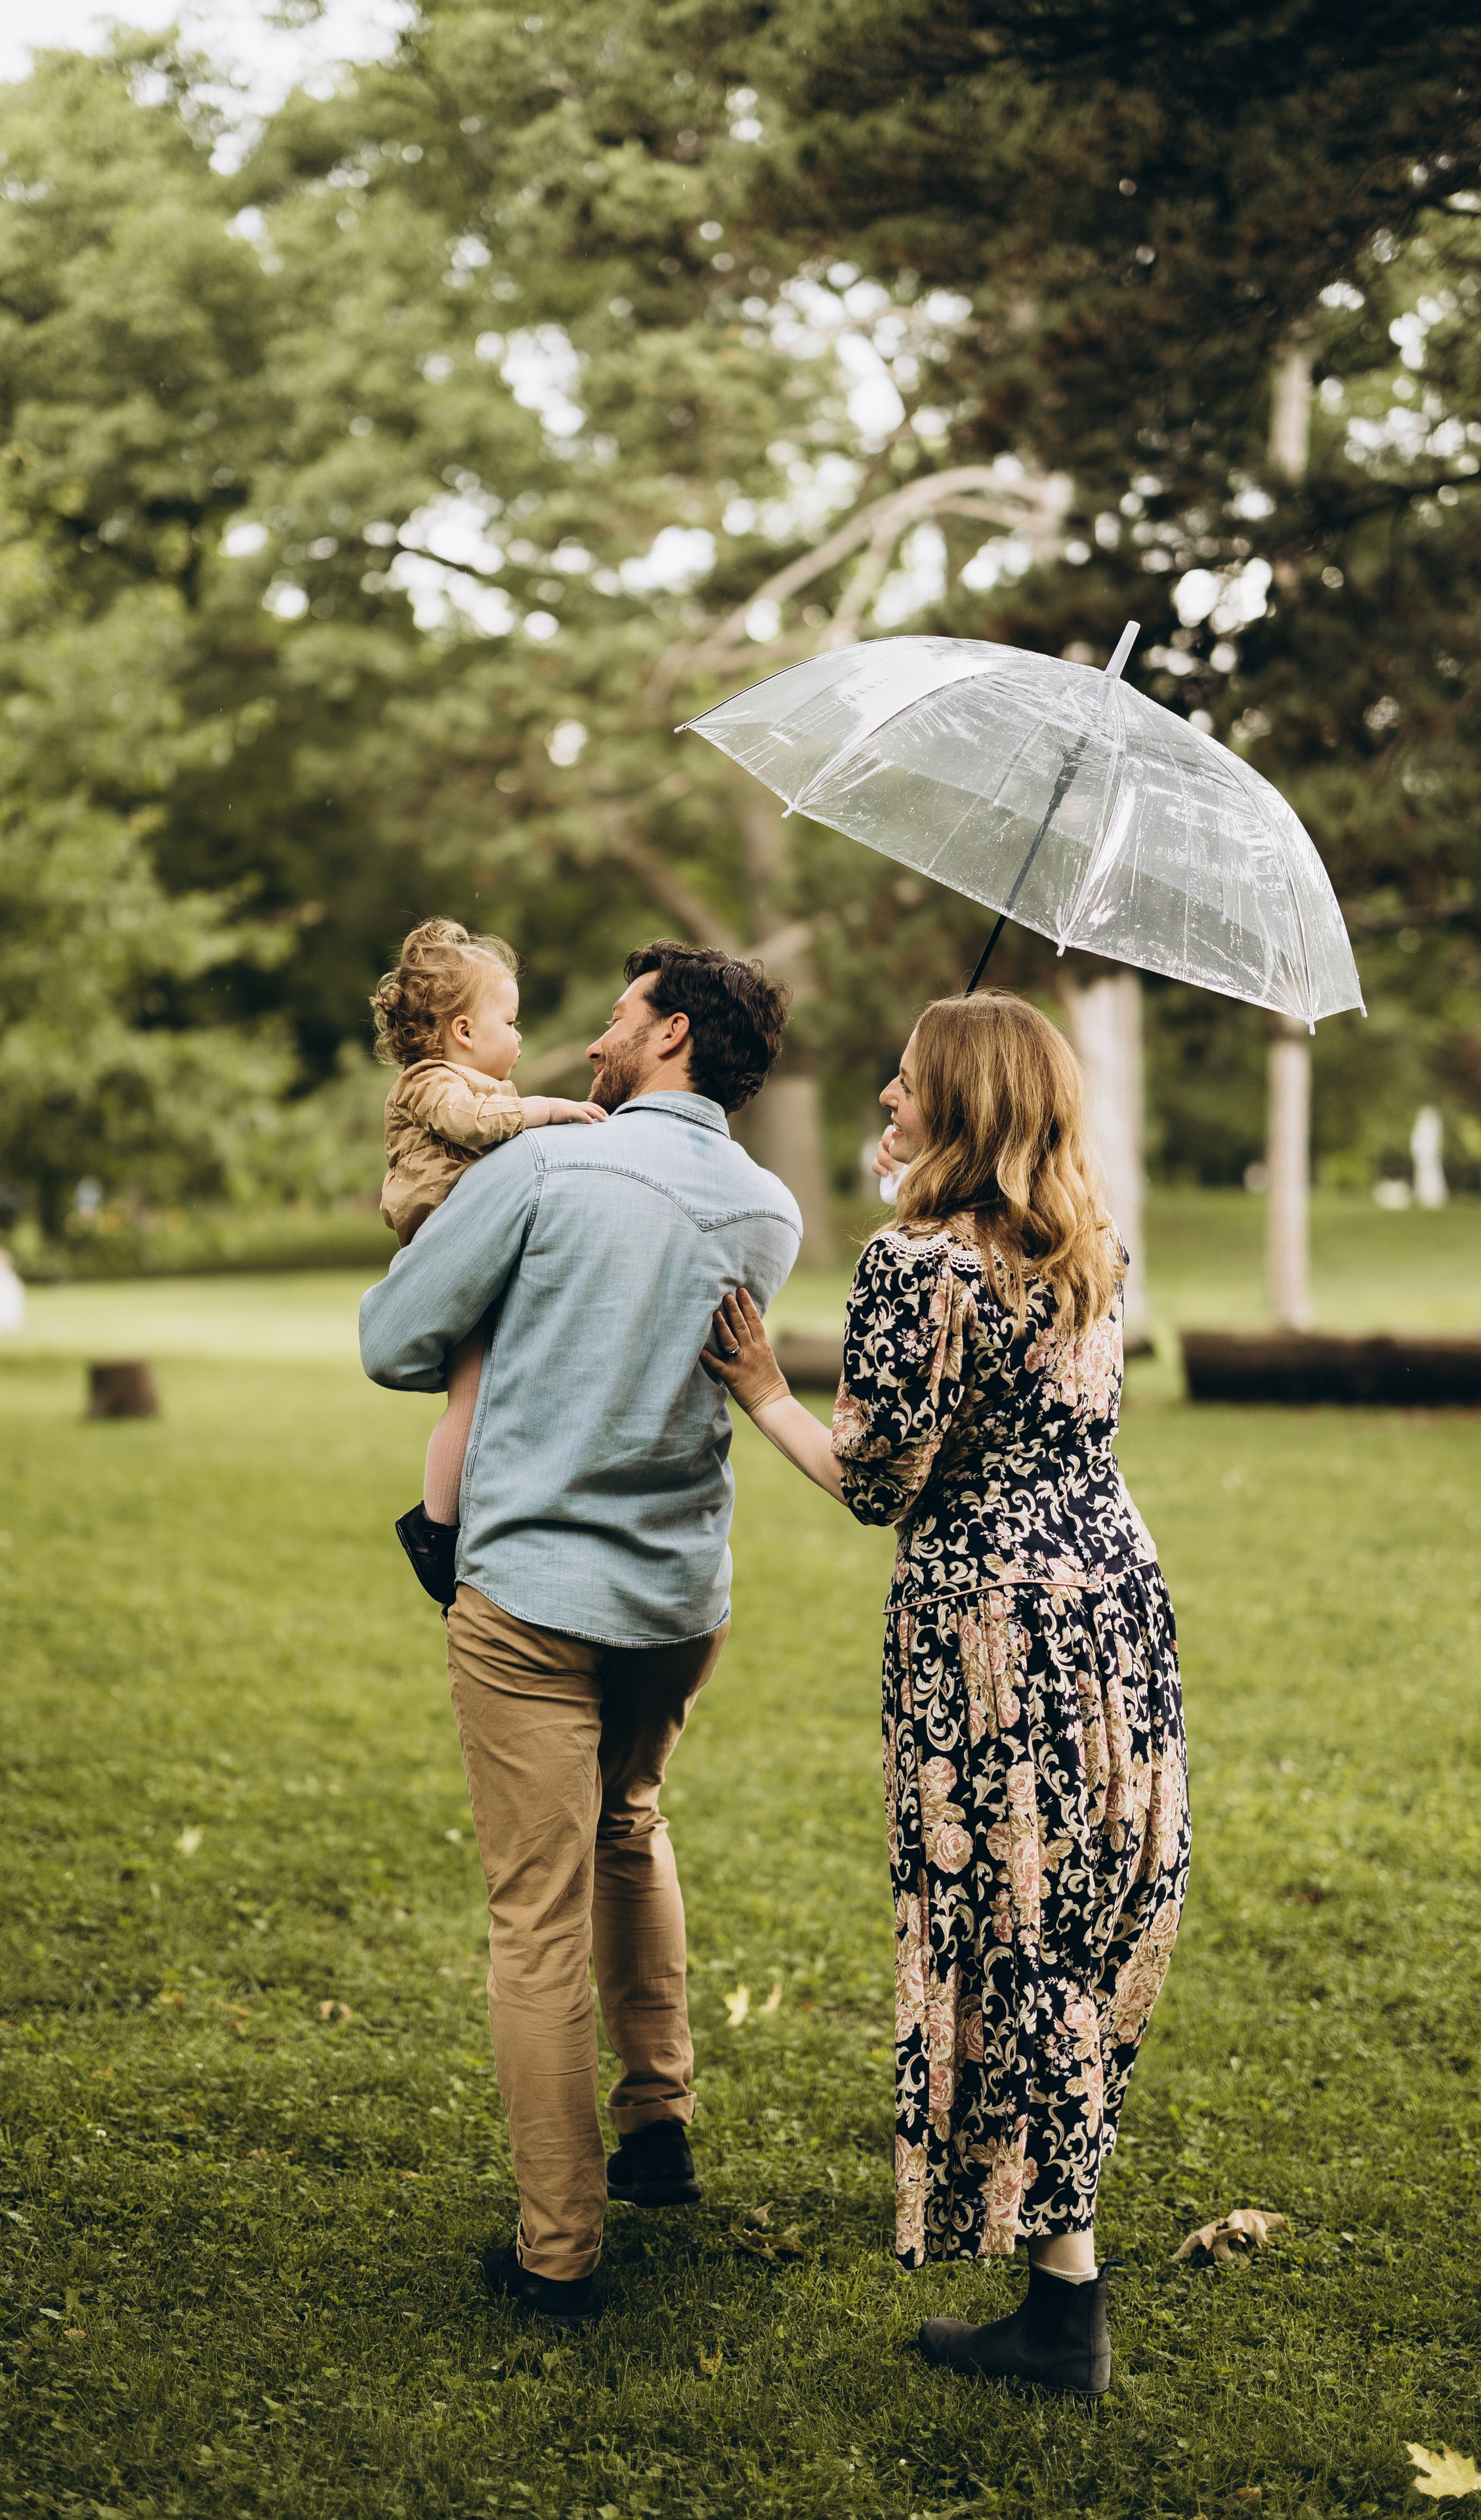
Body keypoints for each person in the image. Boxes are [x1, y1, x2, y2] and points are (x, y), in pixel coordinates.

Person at [703, 992, 1188, 2401]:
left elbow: (876, 1478)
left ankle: (1062, 2314)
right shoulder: (1091, 1251)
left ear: (964, 1108)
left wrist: (761, 1387)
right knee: (1076, 1930)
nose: (884, 1104)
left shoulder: (916, 1263)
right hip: (1115, 1611)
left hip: (992, 1638)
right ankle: (1059, 2291)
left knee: (1011, 1933)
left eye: (907, 1085)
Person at [360, 940, 801, 2331]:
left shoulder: (540, 1168)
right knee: (630, 1822)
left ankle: (557, 2248)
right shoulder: (769, 1207)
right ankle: (655, 2126)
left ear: (668, 1034)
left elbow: (393, 1336)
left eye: (615, 1016)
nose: (588, 1037)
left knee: (532, 1918)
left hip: (534, 1604)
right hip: (677, 1605)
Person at [370, 919, 606, 1608]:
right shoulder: (430, 1083)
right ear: (464, 1031)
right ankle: (437, 1531)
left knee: (496, 1390)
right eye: (511, 1019)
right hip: (449, 1241)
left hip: (478, 1240)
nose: (520, 1035)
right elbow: (475, 1128)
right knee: (469, 1399)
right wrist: (549, 1108)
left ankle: (491, 1508)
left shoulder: (476, 1089)